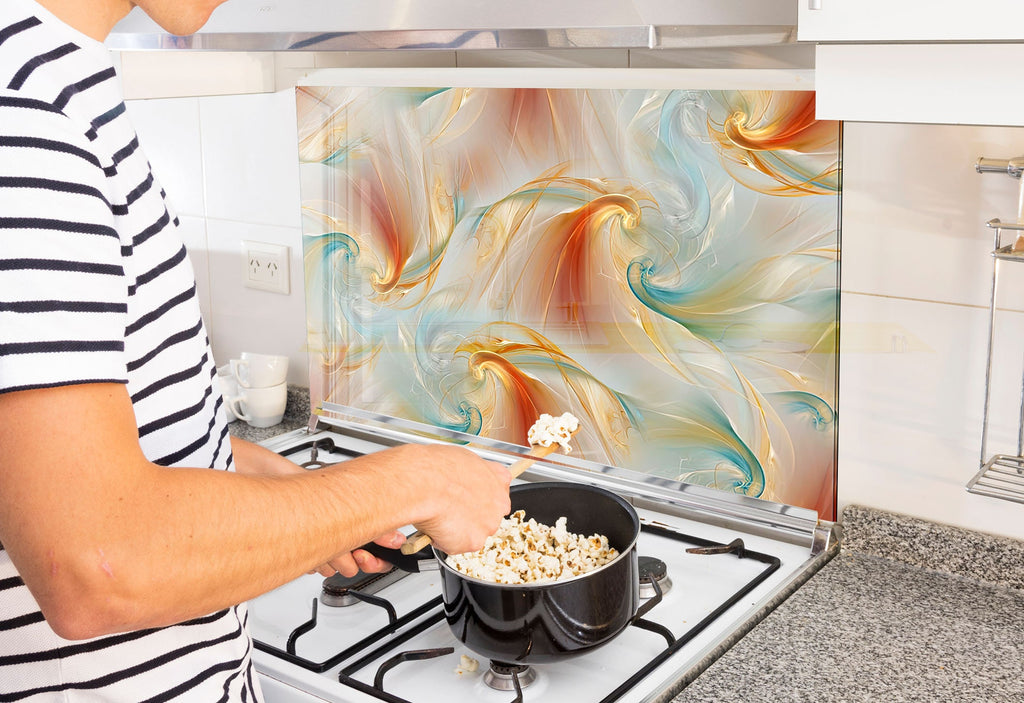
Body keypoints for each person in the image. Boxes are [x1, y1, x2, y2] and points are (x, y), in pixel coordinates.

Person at [0, 0, 513, 699]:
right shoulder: (24, 117)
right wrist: (416, 480)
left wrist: (290, 495)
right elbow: (97, 563)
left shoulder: (55, 80)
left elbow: (71, 455)